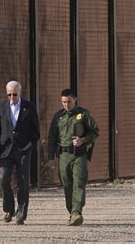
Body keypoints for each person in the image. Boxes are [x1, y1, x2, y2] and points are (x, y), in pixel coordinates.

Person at [47, 89, 99, 226]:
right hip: (63, 155)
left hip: (79, 155)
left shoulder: (83, 114)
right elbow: (52, 137)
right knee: (67, 185)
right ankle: (72, 212)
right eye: (64, 102)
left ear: (75, 99)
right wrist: (50, 158)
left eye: (69, 102)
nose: (66, 105)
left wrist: (83, 140)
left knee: (79, 182)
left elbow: (95, 132)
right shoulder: (58, 116)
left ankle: (77, 212)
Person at [0, 80, 40, 225]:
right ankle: (9, 209)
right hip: (6, 149)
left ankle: (21, 214)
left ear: (20, 92)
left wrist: (29, 146)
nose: (12, 97)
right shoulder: (1, 107)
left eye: (14, 94)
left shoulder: (29, 107)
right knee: (3, 178)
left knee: (23, 182)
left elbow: (35, 131)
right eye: (9, 94)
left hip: (23, 150)